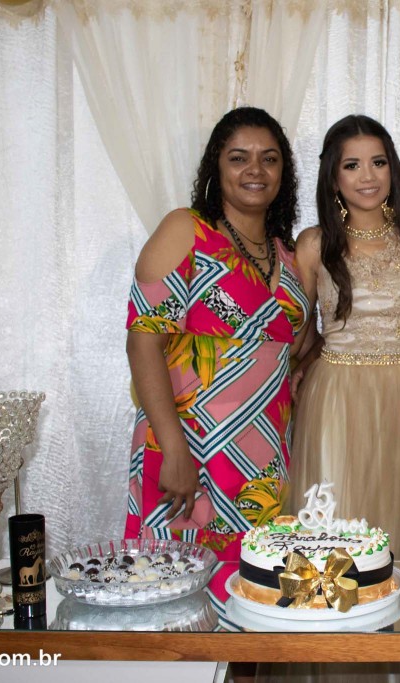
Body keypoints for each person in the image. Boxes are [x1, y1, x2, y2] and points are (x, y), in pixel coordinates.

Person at [124, 107, 309, 612]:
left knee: (255, 601)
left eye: (269, 158)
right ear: (216, 166)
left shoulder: (287, 254)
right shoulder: (186, 230)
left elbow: (293, 351)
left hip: (262, 462)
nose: (255, 169)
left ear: (284, 172)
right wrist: (175, 450)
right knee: (176, 601)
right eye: (239, 157)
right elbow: (143, 343)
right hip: (189, 448)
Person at [289, 114, 400, 562]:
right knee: (336, 524)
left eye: (378, 162)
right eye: (352, 165)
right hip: (336, 396)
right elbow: (297, 336)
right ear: (333, 176)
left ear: (392, 169)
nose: (368, 176)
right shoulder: (314, 243)